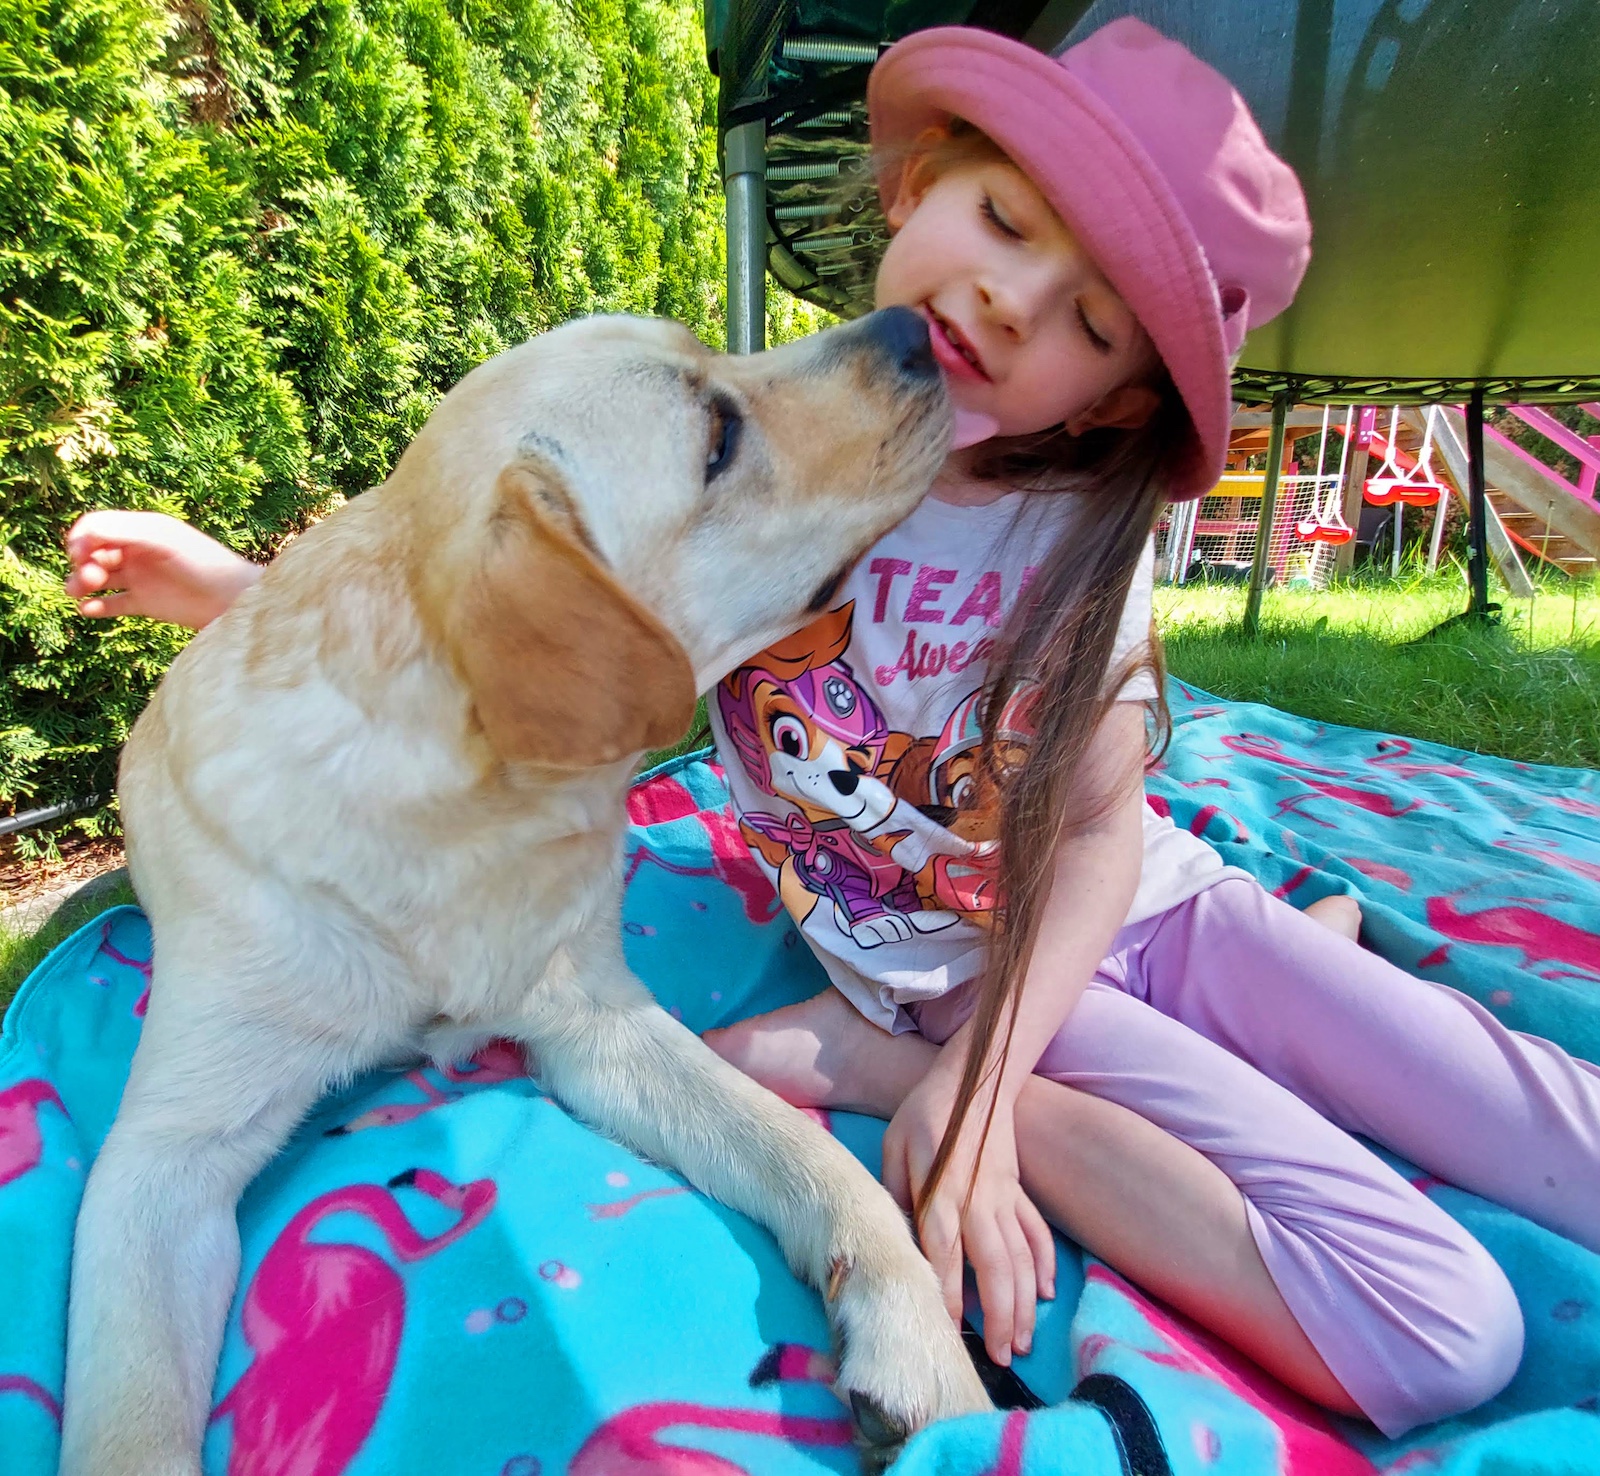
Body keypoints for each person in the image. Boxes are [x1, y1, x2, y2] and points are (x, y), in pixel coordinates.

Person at [61, 20, 1599, 1440]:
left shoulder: (1060, 529)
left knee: (1558, 1132)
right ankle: (883, 1063)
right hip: (946, 980)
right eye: (1005, 223)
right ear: (923, 185)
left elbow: (1099, 827)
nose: (1005, 298)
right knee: (1441, 1327)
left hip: (1139, 903)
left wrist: (985, 1098)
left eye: (1092, 319)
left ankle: (1093, 1038)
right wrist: (245, 595)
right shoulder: (768, 477)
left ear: (1122, 398)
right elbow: (488, 618)